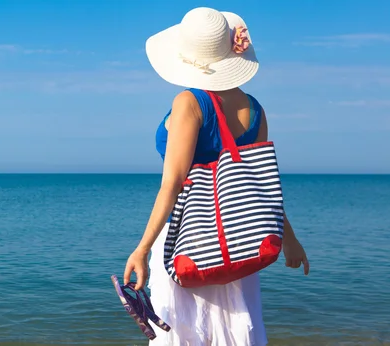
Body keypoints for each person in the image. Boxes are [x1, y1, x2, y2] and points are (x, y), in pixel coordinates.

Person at [123, 7, 309, 346]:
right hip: (241, 234)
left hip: (189, 235)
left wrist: (142, 248)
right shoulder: (254, 108)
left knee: (183, 332)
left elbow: (173, 182)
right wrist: (289, 238)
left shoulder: (189, 102)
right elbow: (259, 184)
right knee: (233, 331)